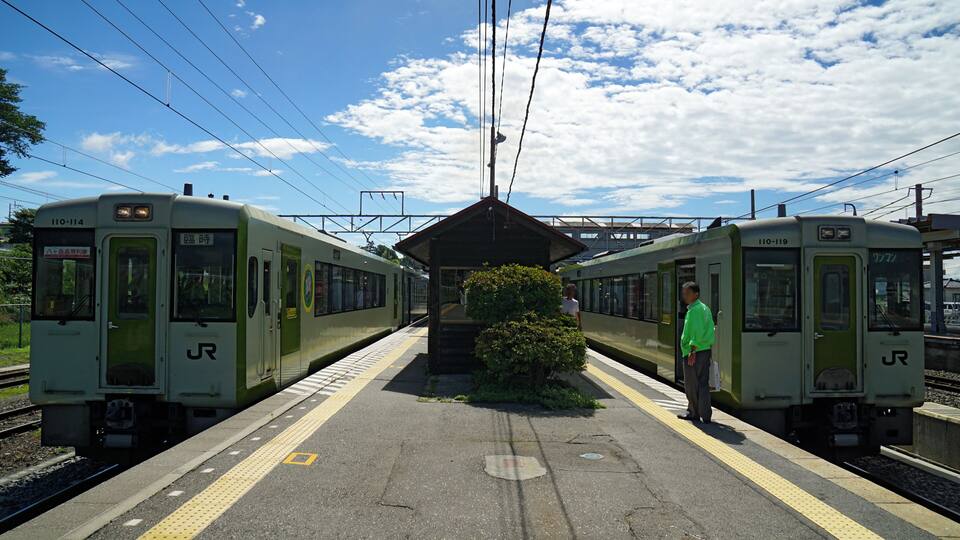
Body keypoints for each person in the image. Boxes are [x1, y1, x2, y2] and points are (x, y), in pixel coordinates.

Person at [678, 281, 715, 424]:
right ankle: (706, 415)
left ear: (696, 294)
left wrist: (692, 350)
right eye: (684, 293)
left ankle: (693, 412)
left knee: (692, 384)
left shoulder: (695, 310)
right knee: (703, 383)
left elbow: (697, 332)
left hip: (695, 351)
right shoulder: (704, 308)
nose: (684, 296)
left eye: (687, 293)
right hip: (704, 350)